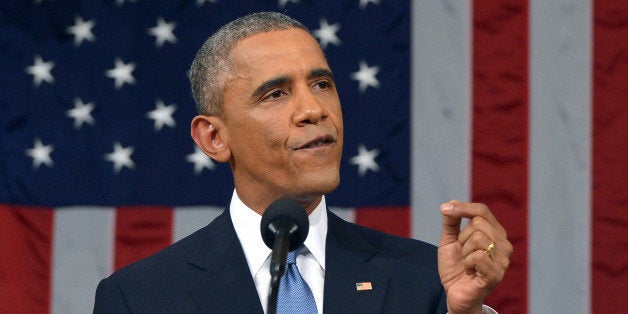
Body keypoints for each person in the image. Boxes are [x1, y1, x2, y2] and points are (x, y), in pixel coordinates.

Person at [94, 12, 512, 314]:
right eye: (275, 94)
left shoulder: (426, 279)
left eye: (322, 84)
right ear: (214, 138)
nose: (314, 109)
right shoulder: (140, 298)